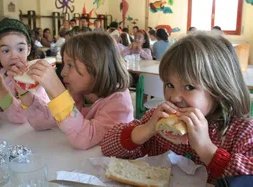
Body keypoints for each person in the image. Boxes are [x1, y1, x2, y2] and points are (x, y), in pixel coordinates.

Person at [101, 32, 253, 184]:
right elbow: (107, 146)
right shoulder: (158, 119)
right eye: (169, 85)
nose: (174, 97)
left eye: (188, 87)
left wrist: (206, 149)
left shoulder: (242, 131)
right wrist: (146, 129)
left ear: (220, 90)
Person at [20, 32, 134, 150]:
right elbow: (41, 122)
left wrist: (58, 92)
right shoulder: (78, 91)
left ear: (96, 67)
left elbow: (85, 139)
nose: (63, 72)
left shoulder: (119, 103)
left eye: (70, 65)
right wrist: (24, 91)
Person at [0, 18, 51, 124]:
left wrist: (0, 90)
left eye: (20, 49)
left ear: (28, 49)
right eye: (6, 50)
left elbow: (23, 118)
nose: (14, 56)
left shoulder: (35, 75)